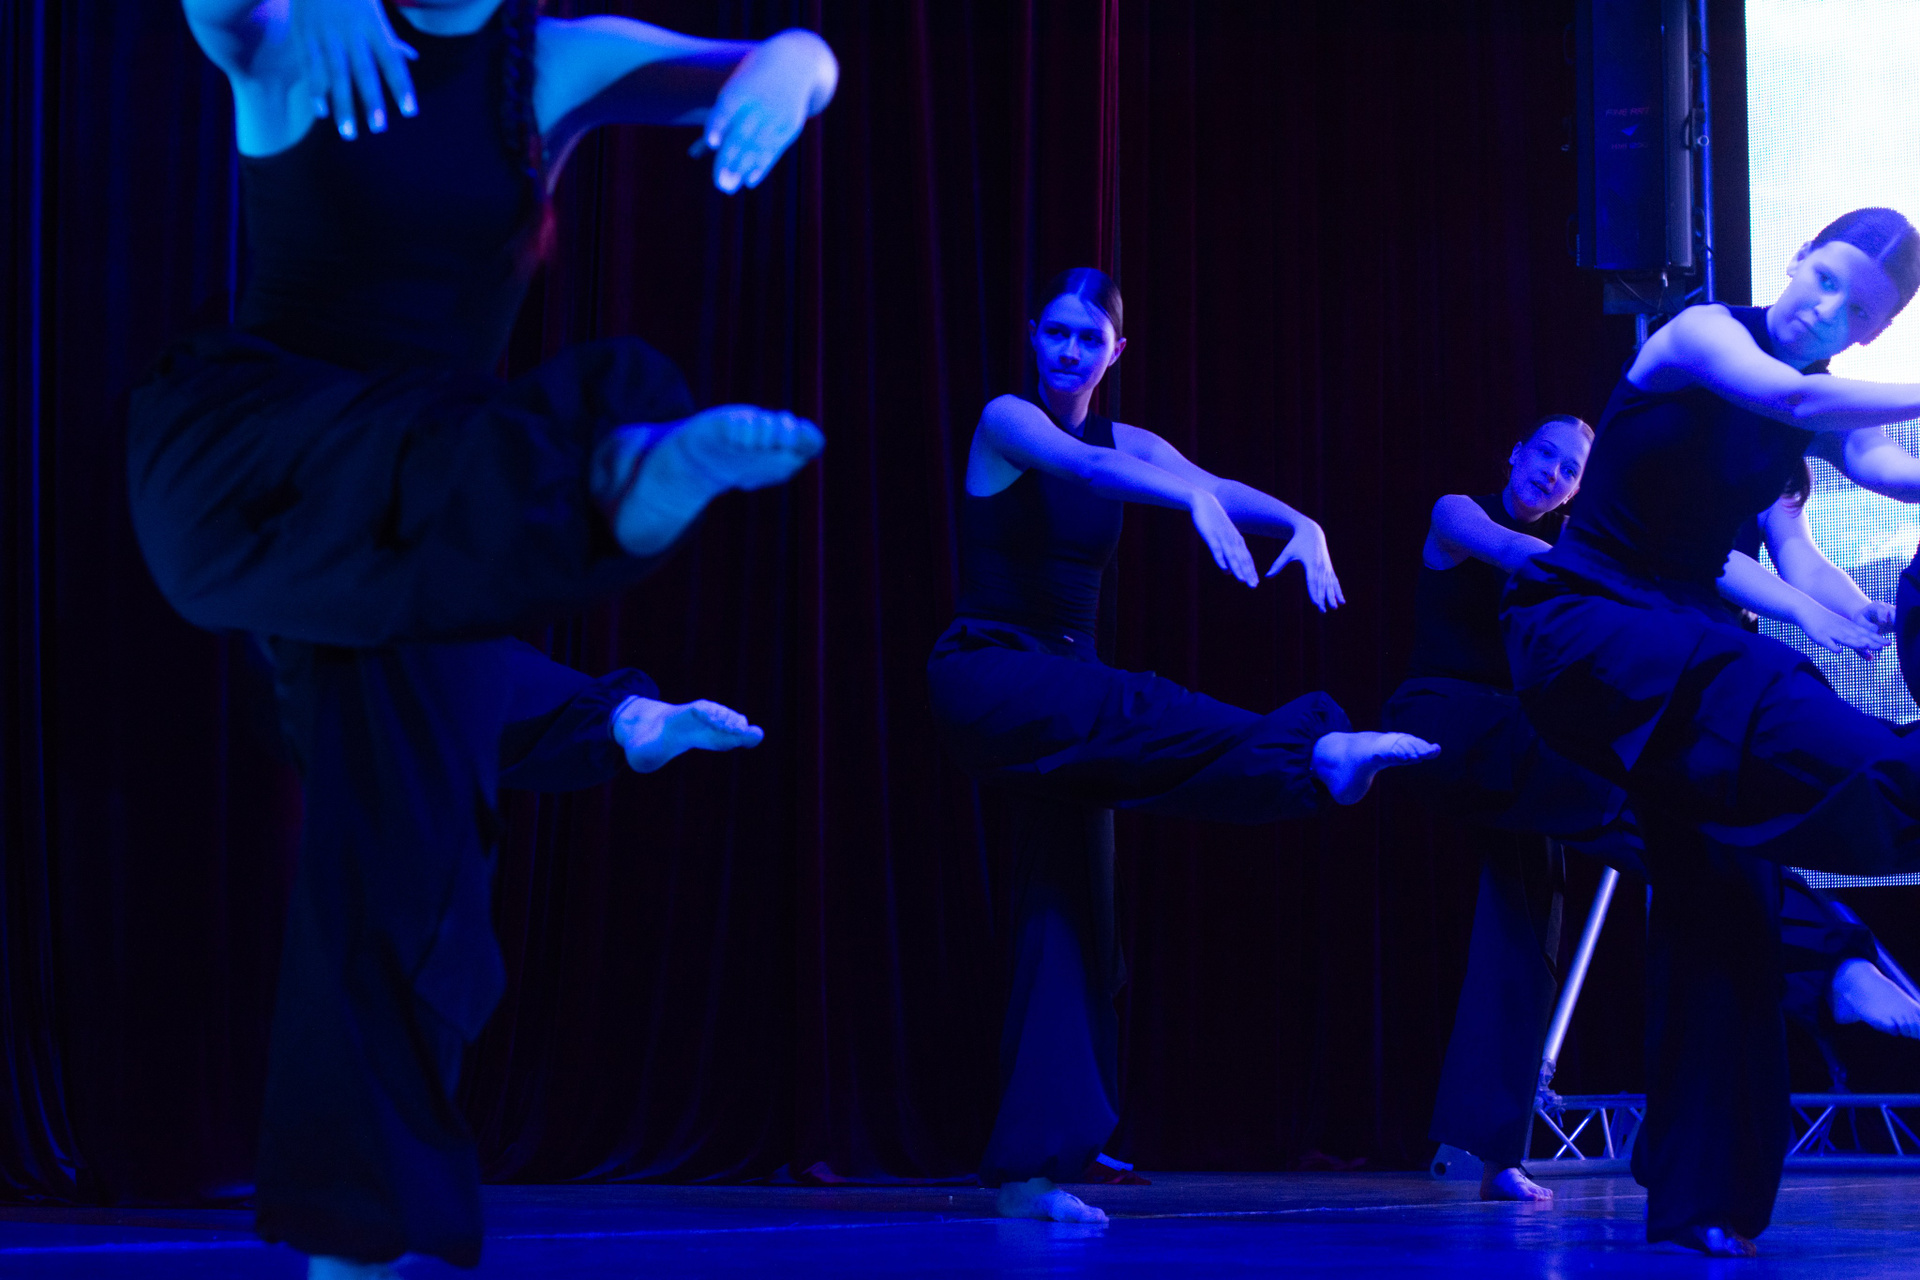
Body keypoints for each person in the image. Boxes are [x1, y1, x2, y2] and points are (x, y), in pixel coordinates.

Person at [136, 2, 838, 1275]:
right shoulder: (291, 34)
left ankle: (352, 1253)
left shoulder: (552, 63)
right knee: (468, 485)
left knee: (416, 869)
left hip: (443, 510)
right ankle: (613, 483)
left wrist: (797, 65)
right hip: (267, 468)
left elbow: (788, 60)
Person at [925, 268, 1439, 1226]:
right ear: (1033, 335)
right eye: (1056, 333)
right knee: (1141, 703)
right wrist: (1189, 504)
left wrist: (1300, 520)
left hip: (1069, 693)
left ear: (1116, 352)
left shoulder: (1130, 441)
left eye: (1090, 339)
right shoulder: (1008, 419)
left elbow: (1213, 483)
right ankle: (1316, 754)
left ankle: (1035, 1169)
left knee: (1070, 913)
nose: (1070, 351)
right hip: (993, 674)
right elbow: (1082, 472)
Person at [1502, 207, 1920, 1256]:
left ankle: (1702, 1200)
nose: (1826, 307)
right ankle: (1856, 934)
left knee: (1723, 900)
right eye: (1826, 277)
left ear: (1873, 333)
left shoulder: (1810, 418)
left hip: (1681, 644)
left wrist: (1843, 608)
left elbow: (1843, 505)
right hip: (1592, 626)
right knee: (1770, 683)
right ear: (1797, 258)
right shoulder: (1703, 334)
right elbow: (1795, 397)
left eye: (1858, 310)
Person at [1389, 419, 1920, 1206]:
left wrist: (1850, 609)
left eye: (1571, 469)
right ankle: (1831, 963)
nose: (1553, 474)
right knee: (1681, 828)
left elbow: (1781, 556)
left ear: (1579, 489)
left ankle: (1493, 1149)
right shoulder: (1460, 513)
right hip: (1449, 725)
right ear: (1515, 454)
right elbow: (1514, 552)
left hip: (1533, 751)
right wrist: (1654, 581)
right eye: (1546, 456)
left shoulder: (1583, 546)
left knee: (1527, 932)